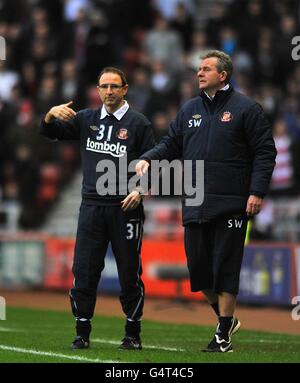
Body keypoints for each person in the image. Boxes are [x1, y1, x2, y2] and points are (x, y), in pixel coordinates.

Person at [136, 50, 276, 352]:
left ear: (222, 75)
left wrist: (257, 192)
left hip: (232, 202)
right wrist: (147, 158)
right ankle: (227, 320)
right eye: (198, 69)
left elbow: (265, 152)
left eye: (206, 69)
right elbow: (169, 144)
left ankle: (222, 334)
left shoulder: (246, 109)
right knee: (199, 270)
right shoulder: (189, 110)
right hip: (195, 200)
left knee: (225, 267)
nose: (199, 73)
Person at [40, 67, 155, 350]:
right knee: (84, 270)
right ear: (98, 89)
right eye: (104, 86)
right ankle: (82, 332)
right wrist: (50, 114)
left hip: (125, 209)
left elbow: (154, 163)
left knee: (129, 272)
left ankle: (133, 333)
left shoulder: (139, 124)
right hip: (91, 206)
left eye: (114, 86)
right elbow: (49, 132)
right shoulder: (86, 119)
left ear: (125, 89)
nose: (109, 91)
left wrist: (140, 191)